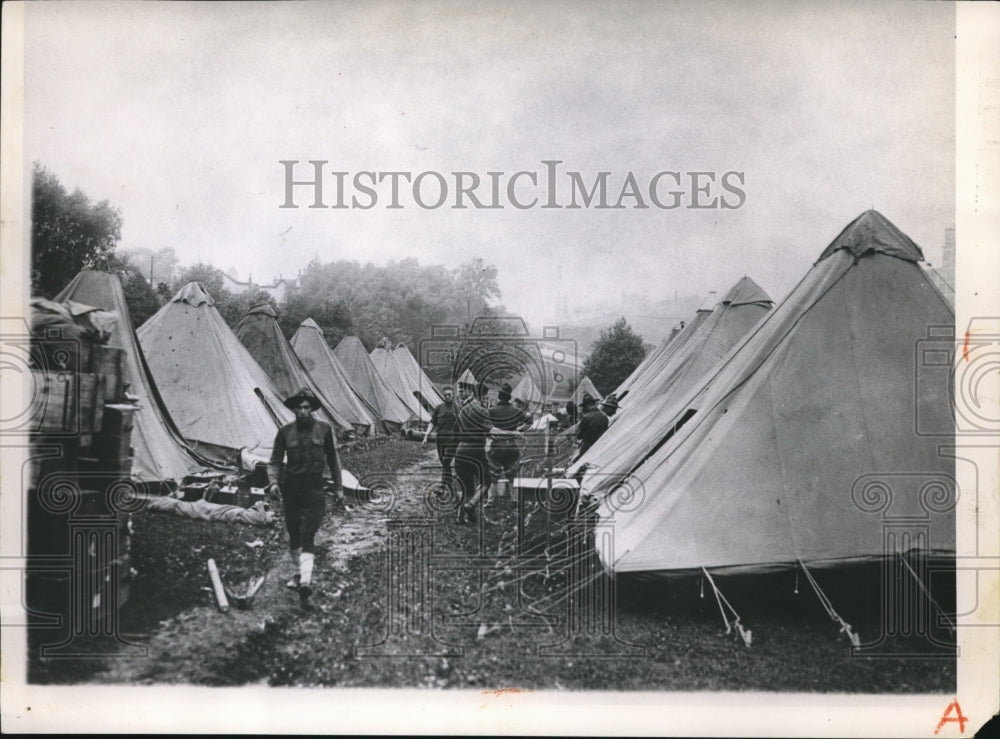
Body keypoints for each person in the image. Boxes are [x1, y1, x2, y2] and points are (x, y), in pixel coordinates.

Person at [267, 387, 343, 606]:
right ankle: (299, 573)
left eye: (306, 407)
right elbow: (275, 460)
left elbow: (333, 459)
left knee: (308, 531)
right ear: (293, 409)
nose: (302, 411)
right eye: (298, 407)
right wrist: (273, 483)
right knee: (294, 533)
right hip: (291, 488)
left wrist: (339, 487)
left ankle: (306, 582)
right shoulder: (284, 432)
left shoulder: (324, 429)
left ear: (312, 409)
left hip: (314, 487)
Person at [486, 382, 532, 503]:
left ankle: (491, 501)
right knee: (512, 475)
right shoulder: (516, 411)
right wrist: (518, 431)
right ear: (509, 397)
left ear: (499, 396)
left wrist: (490, 434)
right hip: (511, 445)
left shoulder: (491, 411)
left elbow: (485, 427)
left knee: (493, 475)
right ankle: (514, 500)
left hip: (496, 445)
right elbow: (530, 421)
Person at [453, 381, 492, 523]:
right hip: (475, 450)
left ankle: (462, 517)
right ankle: (472, 503)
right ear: (482, 396)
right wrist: (514, 433)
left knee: (465, 485)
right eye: (486, 397)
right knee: (486, 481)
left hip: (461, 450)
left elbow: (457, 431)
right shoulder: (481, 410)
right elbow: (491, 430)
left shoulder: (462, 409)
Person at [423, 385, 459, 488]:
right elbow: (432, 422)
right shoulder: (438, 408)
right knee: (444, 462)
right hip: (440, 439)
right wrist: (426, 436)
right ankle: (448, 483)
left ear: (453, 395)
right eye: (445, 395)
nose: (447, 397)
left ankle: (448, 483)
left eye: (449, 395)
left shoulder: (457, 407)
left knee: (449, 460)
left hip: (453, 439)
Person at [575, 393, 609, 460]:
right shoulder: (604, 416)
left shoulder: (587, 417)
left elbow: (579, 436)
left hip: (588, 448)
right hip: (602, 446)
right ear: (594, 403)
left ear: (587, 406)